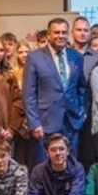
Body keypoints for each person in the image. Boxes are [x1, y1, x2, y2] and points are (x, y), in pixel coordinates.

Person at [22, 18, 88, 166]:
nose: (60, 36)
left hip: (71, 121)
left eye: (64, 32)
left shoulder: (76, 56)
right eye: (56, 32)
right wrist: (34, 123)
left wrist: (82, 110)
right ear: (49, 35)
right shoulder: (35, 57)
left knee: (70, 165)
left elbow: (82, 86)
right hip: (45, 123)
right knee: (44, 167)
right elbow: (28, 93)